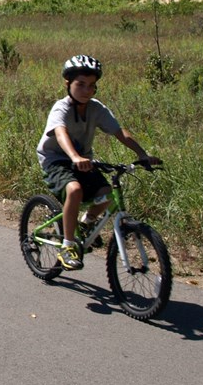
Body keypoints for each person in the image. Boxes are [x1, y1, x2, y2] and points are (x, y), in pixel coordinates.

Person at [36, 54, 159, 270]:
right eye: (80, 84)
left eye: (92, 86)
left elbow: (119, 132)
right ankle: (67, 246)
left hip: (82, 160)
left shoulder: (96, 108)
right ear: (68, 84)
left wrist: (142, 154)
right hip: (56, 160)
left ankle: (86, 223)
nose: (87, 90)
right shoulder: (61, 108)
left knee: (107, 193)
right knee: (74, 190)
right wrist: (74, 157)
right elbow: (60, 132)